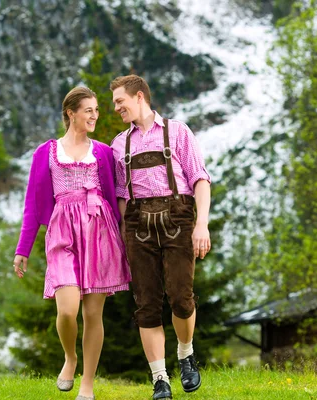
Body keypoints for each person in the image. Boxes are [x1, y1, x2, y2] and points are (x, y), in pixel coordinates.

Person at [13, 86, 131, 400]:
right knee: (67, 311)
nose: (95, 115)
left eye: (96, 109)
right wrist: (23, 249)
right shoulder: (46, 152)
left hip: (99, 232)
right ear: (71, 113)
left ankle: (88, 385)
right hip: (62, 232)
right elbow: (32, 204)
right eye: (88, 110)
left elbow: (114, 195)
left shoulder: (104, 152)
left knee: (93, 314)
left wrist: (125, 241)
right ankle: (70, 357)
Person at [110, 75, 211, 400]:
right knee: (147, 305)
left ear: (139, 96)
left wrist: (202, 225)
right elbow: (122, 197)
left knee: (181, 298)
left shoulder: (177, 131)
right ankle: (160, 380)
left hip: (178, 217)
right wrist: (125, 237)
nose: (116, 108)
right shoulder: (118, 144)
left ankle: (185, 354)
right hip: (138, 225)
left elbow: (200, 179)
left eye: (119, 101)